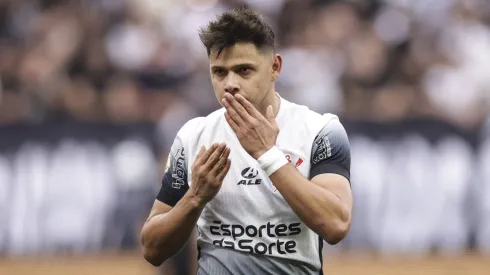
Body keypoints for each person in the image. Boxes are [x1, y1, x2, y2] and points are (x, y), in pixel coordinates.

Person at [141, 7, 352, 275]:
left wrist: (267, 154)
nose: (229, 83)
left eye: (243, 70)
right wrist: (194, 198)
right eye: (219, 72)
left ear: (275, 67)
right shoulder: (193, 137)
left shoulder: (320, 130)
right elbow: (152, 249)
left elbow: (336, 225)